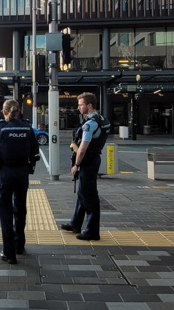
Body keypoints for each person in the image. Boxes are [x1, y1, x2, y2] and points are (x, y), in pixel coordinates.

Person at [0, 99, 39, 264]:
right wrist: (29, 168)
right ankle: (19, 244)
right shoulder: (27, 128)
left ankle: (9, 253)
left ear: (4, 112)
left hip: (5, 174)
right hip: (22, 174)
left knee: (5, 212)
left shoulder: (0, 129)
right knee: (20, 209)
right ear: (18, 111)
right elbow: (35, 152)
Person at [61, 92, 110, 241]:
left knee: (89, 196)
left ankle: (92, 232)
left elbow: (82, 148)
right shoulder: (102, 119)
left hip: (87, 161)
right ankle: (76, 223)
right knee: (83, 193)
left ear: (89, 105)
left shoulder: (90, 124)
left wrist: (76, 164)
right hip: (94, 159)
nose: (78, 107)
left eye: (81, 104)